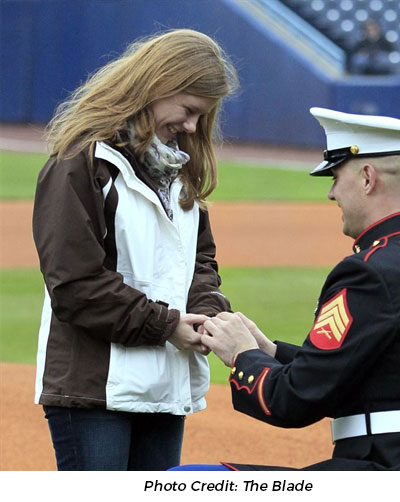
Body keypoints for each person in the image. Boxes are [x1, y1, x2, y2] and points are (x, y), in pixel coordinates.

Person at [173, 107, 400, 471]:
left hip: (387, 472)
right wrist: (268, 350)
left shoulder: (371, 273)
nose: (332, 193)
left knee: (185, 482)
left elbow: (291, 401)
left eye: (335, 176)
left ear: (367, 178)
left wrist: (241, 355)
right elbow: (368, 378)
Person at [32, 29, 238, 471]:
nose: (192, 127)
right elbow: (75, 283)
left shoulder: (178, 170)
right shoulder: (82, 161)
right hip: (93, 391)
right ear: (157, 84)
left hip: (163, 389)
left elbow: (199, 262)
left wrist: (208, 313)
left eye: (202, 117)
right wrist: (166, 325)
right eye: (189, 110)